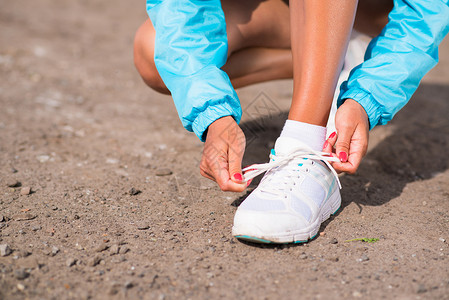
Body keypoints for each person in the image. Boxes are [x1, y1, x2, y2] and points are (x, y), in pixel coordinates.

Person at [134, 0, 449, 243]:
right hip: (296, 14)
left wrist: (368, 96)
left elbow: (426, 11)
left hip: (379, 13)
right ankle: (347, 57)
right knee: (152, 50)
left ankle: (304, 144)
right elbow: (180, 10)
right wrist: (212, 112)